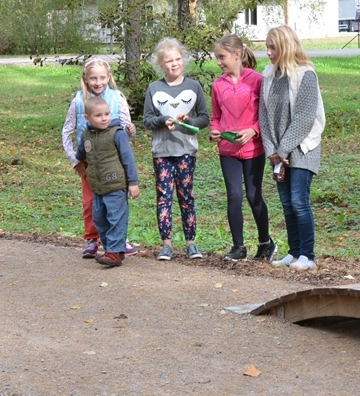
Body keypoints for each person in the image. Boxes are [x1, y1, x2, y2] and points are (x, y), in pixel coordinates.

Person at [259, 25, 325, 272]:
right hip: (278, 150)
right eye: (267, 47)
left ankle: (308, 255)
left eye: (273, 47)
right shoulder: (269, 76)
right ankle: (294, 252)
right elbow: (263, 117)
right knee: (287, 203)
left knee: (299, 200)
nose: (268, 52)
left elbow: (304, 118)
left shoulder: (305, 74)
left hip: (302, 148)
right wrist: (271, 150)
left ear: (286, 46)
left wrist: (283, 150)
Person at [208, 34, 276, 262]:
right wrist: (215, 131)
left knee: (254, 195)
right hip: (228, 151)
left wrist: (253, 131)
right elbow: (216, 116)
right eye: (217, 58)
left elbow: (265, 116)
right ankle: (238, 247)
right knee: (234, 196)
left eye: (222, 57)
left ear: (237, 55)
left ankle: (265, 243)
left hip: (254, 150)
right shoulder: (217, 85)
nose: (218, 62)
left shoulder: (257, 80)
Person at [61, 58, 136, 259]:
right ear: (85, 79)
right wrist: (75, 160)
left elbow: (125, 128)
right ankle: (92, 239)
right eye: (93, 78)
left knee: (115, 203)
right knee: (91, 203)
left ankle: (118, 241)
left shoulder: (117, 97)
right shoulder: (78, 101)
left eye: (102, 77)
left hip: (112, 162)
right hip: (89, 163)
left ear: (109, 77)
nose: (98, 82)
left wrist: (130, 130)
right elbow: (67, 131)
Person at [143, 38, 210, 261]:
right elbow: (147, 120)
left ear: (184, 60)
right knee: (164, 197)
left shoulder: (193, 87)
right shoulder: (154, 88)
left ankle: (191, 243)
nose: (174, 64)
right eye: (169, 61)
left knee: (186, 196)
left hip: (186, 151)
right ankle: (167, 245)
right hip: (162, 151)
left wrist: (188, 120)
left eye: (178, 59)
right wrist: (163, 120)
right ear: (161, 64)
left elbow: (204, 119)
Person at [75, 97, 139, 267]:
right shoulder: (87, 134)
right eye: (98, 115)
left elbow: (128, 159)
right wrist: (79, 160)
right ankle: (113, 249)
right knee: (99, 218)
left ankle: (114, 252)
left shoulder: (117, 133)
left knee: (116, 217)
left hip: (115, 184)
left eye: (107, 114)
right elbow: (82, 151)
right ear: (87, 118)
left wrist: (133, 182)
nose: (104, 118)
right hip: (97, 186)